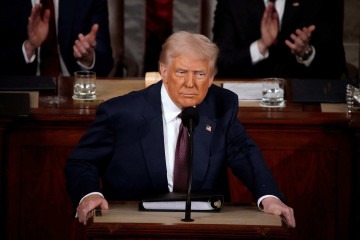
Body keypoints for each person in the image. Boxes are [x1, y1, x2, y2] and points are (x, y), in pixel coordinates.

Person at [64, 31, 296, 228]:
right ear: (164, 72)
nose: (190, 84)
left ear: (212, 77)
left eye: (200, 74)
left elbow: (245, 153)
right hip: (135, 226)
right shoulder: (121, 112)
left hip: (203, 228)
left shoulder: (220, 106)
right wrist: (89, 193)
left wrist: (270, 197)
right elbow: (82, 162)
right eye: (182, 72)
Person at [213, 0, 346, 79]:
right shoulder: (231, 3)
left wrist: (307, 53)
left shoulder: (322, 3)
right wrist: (260, 46)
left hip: (307, 104)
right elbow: (221, 62)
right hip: (246, 103)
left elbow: (336, 65)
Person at [0, 0, 113, 77]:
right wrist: (28, 48)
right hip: (20, 93)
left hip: (73, 92)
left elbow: (105, 64)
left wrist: (88, 58)